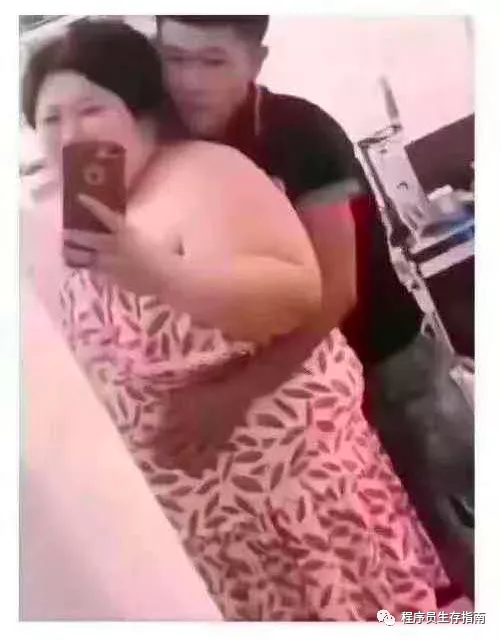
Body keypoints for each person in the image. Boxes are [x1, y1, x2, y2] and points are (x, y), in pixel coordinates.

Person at [23, 20, 447, 620]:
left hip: (307, 483)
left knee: (462, 531)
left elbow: (316, 293)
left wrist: (164, 283)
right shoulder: (91, 210)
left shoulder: (250, 154)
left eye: (91, 110)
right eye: (50, 118)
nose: (71, 134)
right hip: (215, 532)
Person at [156, 15, 474, 598]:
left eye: (212, 61)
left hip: (389, 375)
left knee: (461, 552)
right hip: (298, 411)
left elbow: (337, 292)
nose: (189, 81)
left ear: (256, 62)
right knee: (395, 576)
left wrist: (232, 396)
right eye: (174, 58)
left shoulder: (299, 132)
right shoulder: (172, 141)